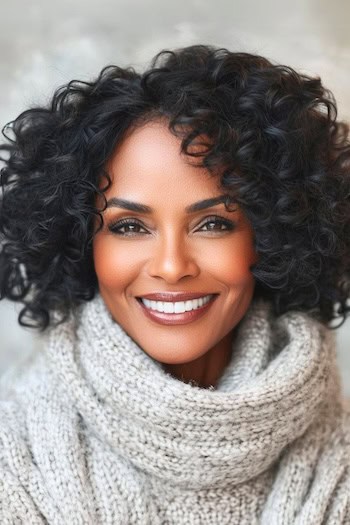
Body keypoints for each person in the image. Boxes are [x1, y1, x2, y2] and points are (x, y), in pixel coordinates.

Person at [0, 44, 349, 524]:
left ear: (270, 236)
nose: (170, 266)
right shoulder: (12, 455)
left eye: (212, 224)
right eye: (128, 226)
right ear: (83, 244)